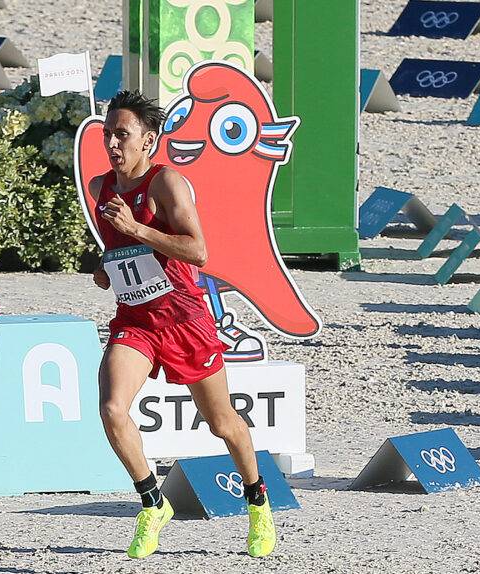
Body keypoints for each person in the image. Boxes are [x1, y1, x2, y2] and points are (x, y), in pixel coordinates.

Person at [87, 90, 276, 559]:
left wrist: (138, 230)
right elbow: (120, 252)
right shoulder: (98, 188)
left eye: (122, 135)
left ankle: (257, 501)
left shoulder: (165, 183)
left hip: (184, 319)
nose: (112, 143)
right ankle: (153, 503)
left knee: (222, 423)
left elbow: (198, 252)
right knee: (112, 409)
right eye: (108, 134)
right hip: (135, 320)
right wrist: (105, 264)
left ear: (148, 140)